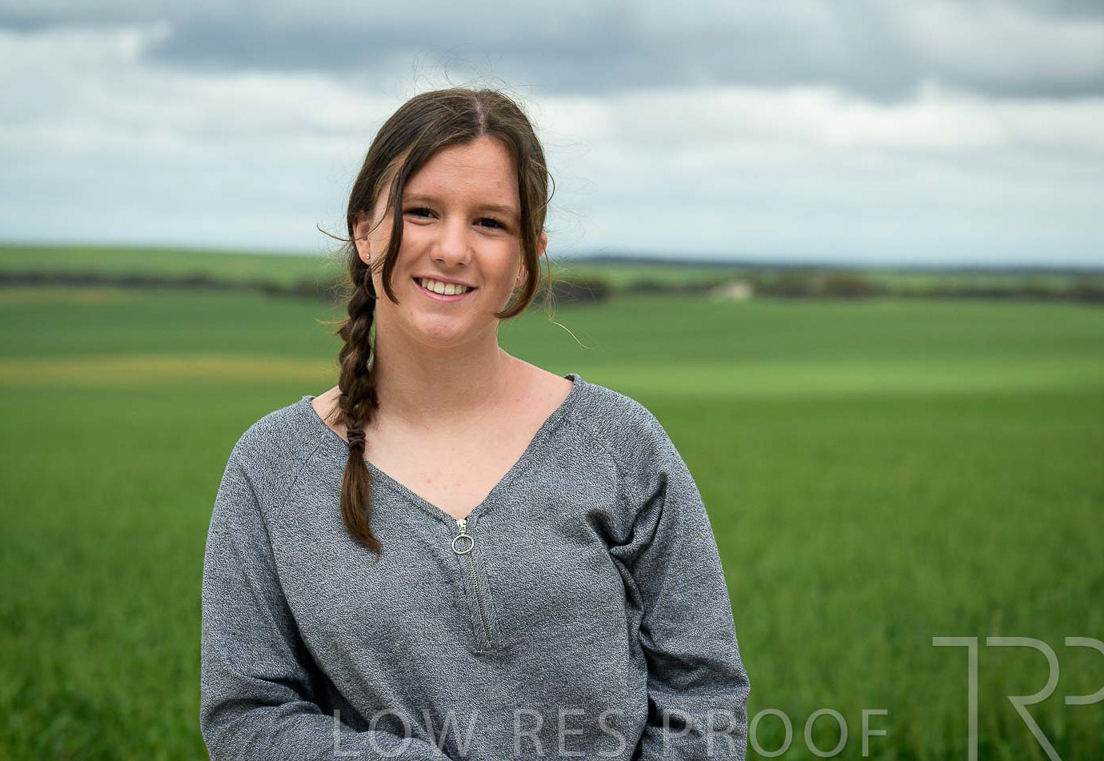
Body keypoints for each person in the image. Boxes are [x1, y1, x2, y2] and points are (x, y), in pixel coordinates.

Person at [200, 87, 751, 760]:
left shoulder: (621, 444)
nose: (452, 248)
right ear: (364, 231)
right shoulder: (272, 468)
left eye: (490, 222)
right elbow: (247, 719)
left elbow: (705, 698)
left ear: (527, 255)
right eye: (422, 212)